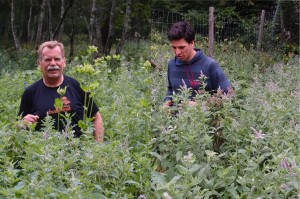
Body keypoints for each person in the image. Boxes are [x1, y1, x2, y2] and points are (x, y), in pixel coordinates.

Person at [18, 41, 104, 142]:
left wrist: (99, 147)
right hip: (45, 154)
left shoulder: (76, 86)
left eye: (57, 59)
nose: (53, 63)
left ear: (64, 62)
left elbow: (96, 116)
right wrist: (22, 124)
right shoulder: (31, 92)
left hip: (78, 154)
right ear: (39, 64)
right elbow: (19, 126)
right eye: (47, 60)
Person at [164, 21, 231, 107]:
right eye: (174, 47)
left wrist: (200, 105)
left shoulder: (210, 65)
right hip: (177, 119)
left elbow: (228, 95)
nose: (177, 52)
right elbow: (171, 90)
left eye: (181, 47)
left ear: (192, 43)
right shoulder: (171, 65)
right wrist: (167, 101)